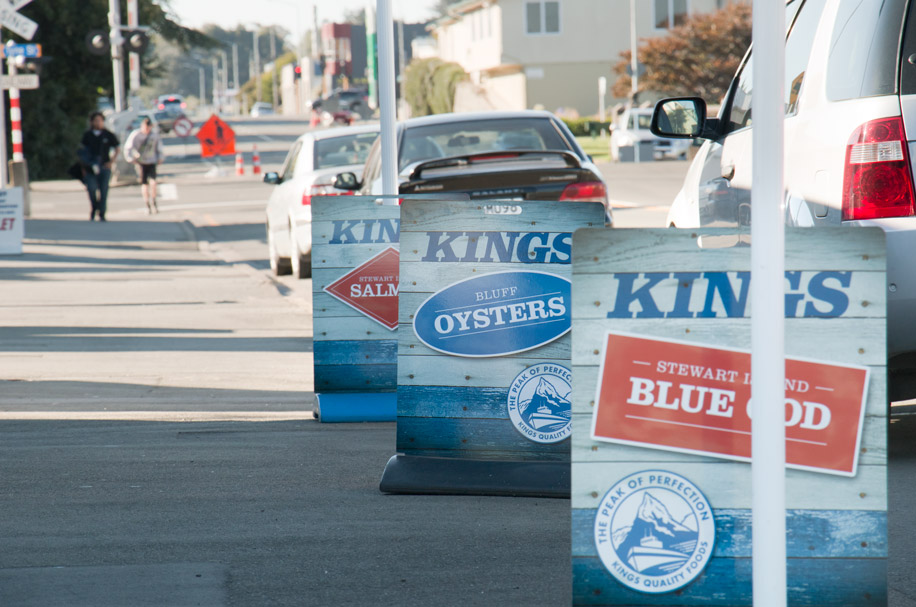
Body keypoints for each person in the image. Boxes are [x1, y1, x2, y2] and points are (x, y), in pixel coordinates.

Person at [79, 112, 120, 221]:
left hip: (104, 166)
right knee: (91, 189)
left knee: (104, 190)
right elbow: (82, 152)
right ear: (92, 122)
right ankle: (94, 208)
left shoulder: (107, 134)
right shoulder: (87, 135)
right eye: (96, 120)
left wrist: (111, 162)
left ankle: (102, 213)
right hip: (90, 167)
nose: (98, 122)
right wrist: (83, 167)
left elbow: (117, 148)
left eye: (100, 120)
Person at [123, 117, 164, 214]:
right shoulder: (136, 135)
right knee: (144, 184)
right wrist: (130, 158)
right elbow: (128, 147)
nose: (147, 130)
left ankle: (154, 200)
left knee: (153, 183)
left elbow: (159, 147)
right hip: (141, 162)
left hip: (152, 161)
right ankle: (147, 203)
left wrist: (160, 157)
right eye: (145, 128)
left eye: (149, 128)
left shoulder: (154, 135)